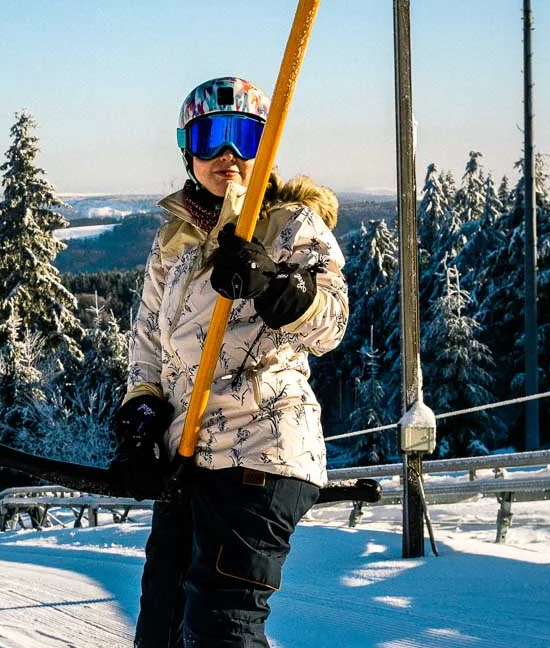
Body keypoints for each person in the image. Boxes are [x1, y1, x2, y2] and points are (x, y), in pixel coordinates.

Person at [120, 76, 347, 648]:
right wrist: (142, 414)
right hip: (190, 457)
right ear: (186, 148)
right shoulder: (173, 242)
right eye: (211, 137)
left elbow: (332, 322)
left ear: (265, 145)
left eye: (244, 136)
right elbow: (148, 344)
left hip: (262, 452)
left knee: (223, 623)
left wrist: (279, 287)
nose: (228, 155)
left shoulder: (289, 225)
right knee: (161, 626)